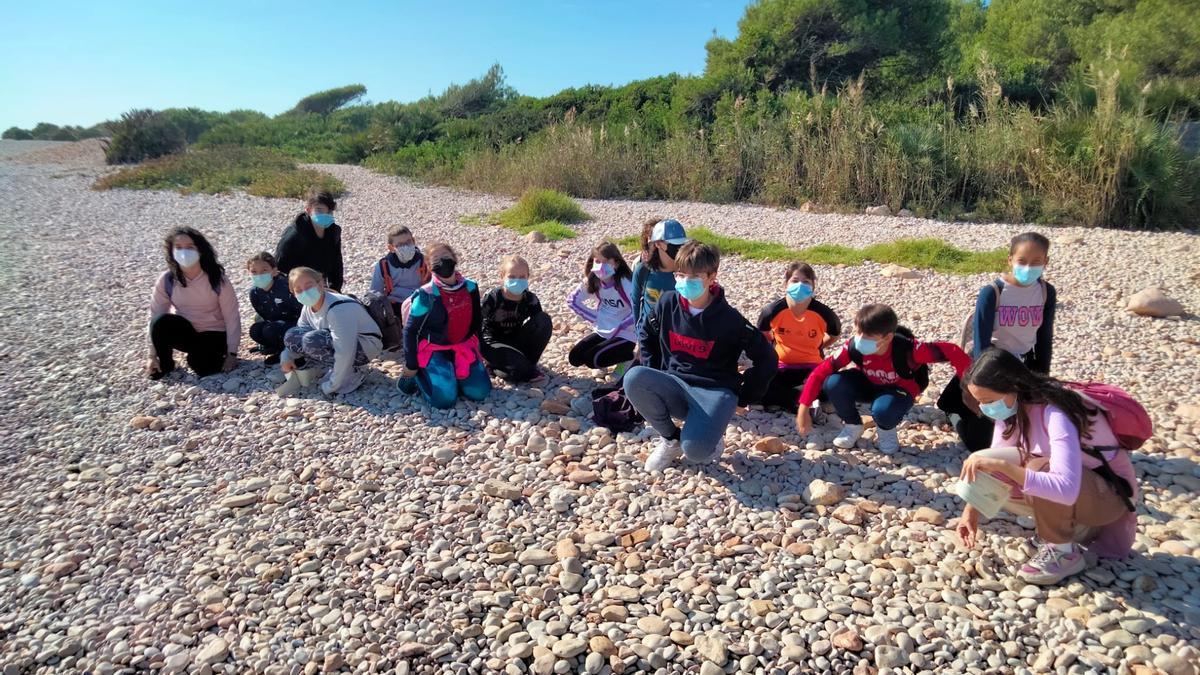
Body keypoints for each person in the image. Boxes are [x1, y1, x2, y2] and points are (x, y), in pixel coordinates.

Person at [955, 348, 1138, 585]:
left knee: (1036, 467)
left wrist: (1004, 466)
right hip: (1081, 498)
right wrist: (971, 513)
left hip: (1107, 504)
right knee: (985, 461)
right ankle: (1061, 532)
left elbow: (1066, 487)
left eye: (988, 401)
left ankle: (1064, 552)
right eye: (980, 402)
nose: (985, 409)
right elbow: (993, 462)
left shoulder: (1056, 413)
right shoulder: (1013, 412)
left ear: (1014, 387)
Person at [626, 242, 778, 472]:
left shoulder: (730, 320)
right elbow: (646, 333)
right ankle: (670, 439)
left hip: (714, 392)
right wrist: (654, 369)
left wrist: (744, 397)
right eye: (681, 275)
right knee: (634, 378)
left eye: (695, 276)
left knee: (696, 452)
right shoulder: (666, 303)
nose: (686, 282)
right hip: (676, 384)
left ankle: (711, 430)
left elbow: (767, 358)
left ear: (711, 277)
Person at [795, 304, 971, 454]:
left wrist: (969, 387)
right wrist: (804, 407)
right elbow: (820, 372)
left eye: (868, 337)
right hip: (869, 383)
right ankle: (853, 425)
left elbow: (952, 351)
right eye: (858, 332)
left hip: (899, 390)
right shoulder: (853, 347)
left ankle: (886, 431)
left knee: (882, 411)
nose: (860, 339)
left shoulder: (910, 350)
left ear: (888, 337)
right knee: (833, 382)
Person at [941, 232, 1058, 450]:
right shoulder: (993, 292)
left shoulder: (1045, 292)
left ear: (1046, 262)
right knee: (980, 444)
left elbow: (1044, 338)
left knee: (1030, 428)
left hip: (1023, 363)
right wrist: (981, 387)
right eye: (1022, 261)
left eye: (1036, 262)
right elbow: (980, 341)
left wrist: (1044, 381)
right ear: (1010, 259)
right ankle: (955, 413)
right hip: (993, 363)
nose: (1028, 267)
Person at [398, 243, 491, 408]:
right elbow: (411, 331)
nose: (443, 262)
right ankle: (419, 375)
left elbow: (477, 321)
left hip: (462, 346)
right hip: (434, 348)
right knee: (445, 401)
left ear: (455, 259)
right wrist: (411, 364)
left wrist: (481, 350)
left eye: (446, 258)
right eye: (436, 260)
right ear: (429, 267)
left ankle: (452, 375)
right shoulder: (426, 295)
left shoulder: (470, 287)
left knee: (480, 392)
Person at [146, 227, 241, 380]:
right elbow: (154, 314)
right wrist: (152, 355)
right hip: (186, 331)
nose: (184, 252)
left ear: (200, 250)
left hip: (214, 332)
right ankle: (164, 363)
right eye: (178, 248)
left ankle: (206, 355)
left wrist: (232, 353)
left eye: (190, 247)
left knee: (202, 366)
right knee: (160, 322)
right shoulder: (167, 280)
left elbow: (232, 317)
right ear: (171, 251)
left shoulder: (217, 279)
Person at [278, 267, 382, 396]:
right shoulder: (308, 306)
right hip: (340, 342)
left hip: (365, 346)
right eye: (298, 290)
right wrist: (286, 358)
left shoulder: (338, 308)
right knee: (292, 335)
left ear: (320, 284)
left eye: (309, 286)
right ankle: (324, 367)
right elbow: (299, 332)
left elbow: (345, 350)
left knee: (311, 340)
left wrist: (333, 385)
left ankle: (351, 374)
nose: (304, 292)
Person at [755, 262, 841, 412]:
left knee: (833, 383)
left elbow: (834, 335)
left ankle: (794, 401)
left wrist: (819, 346)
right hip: (782, 366)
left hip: (812, 366)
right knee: (759, 384)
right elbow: (762, 333)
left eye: (806, 282)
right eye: (795, 281)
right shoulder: (772, 311)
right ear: (786, 284)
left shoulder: (824, 314)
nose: (800, 285)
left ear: (813, 287)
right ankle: (803, 400)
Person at [479, 255, 552, 384]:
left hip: (515, 339)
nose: (517, 280)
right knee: (521, 371)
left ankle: (527, 364)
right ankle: (497, 365)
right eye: (512, 277)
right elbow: (476, 322)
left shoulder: (530, 299)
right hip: (492, 342)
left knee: (544, 320)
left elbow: (538, 325)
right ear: (502, 276)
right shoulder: (493, 298)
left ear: (528, 277)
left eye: (522, 277)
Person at [566, 241, 637, 373]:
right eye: (597, 261)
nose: (601, 266)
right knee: (574, 358)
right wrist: (596, 318)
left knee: (592, 360)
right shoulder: (593, 281)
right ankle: (608, 353)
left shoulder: (625, 282)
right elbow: (572, 300)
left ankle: (629, 358)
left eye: (606, 262)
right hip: (603, 330)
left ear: (616, 263)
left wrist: (621, 325)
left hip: (625, 334)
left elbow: (638, 310)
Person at [274, 189, 344, 292]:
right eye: (319, 210)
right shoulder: (294, 235)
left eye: (329, 211)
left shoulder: (333, 232)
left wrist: (335, 290)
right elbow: (280, 269)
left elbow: (336, 264)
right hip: (299, 289)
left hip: (319, 285)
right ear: (308, 210)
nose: (325, 214)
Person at [246, 251, 301, 365]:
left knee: (270, 329)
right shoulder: (255, 292)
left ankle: (290, 353)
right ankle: (275, 347)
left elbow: (303, 311)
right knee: (255, 330)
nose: (259, 275)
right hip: (276, 324)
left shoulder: (286, 287)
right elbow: (263, 314)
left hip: (297, 324)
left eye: (264, 270)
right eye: (254, 272)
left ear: (274, 271)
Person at [631, 218, 688, 327]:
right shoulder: (643, 270)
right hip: (648, 337)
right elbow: (635, 303)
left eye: (682, 243)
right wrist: (638, 334)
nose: (679, 247)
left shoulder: (689, 272)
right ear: (658, 244)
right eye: (673, 243)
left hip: (675, 337)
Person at [369, 225, 431, 313]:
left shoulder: (424, 261)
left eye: (408, 242)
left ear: (413, 241)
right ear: (391, 248)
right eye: (400, 245)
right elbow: (375, 293)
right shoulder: (383, 266)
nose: (405, 246)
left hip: (419, 303)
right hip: (394, 305)